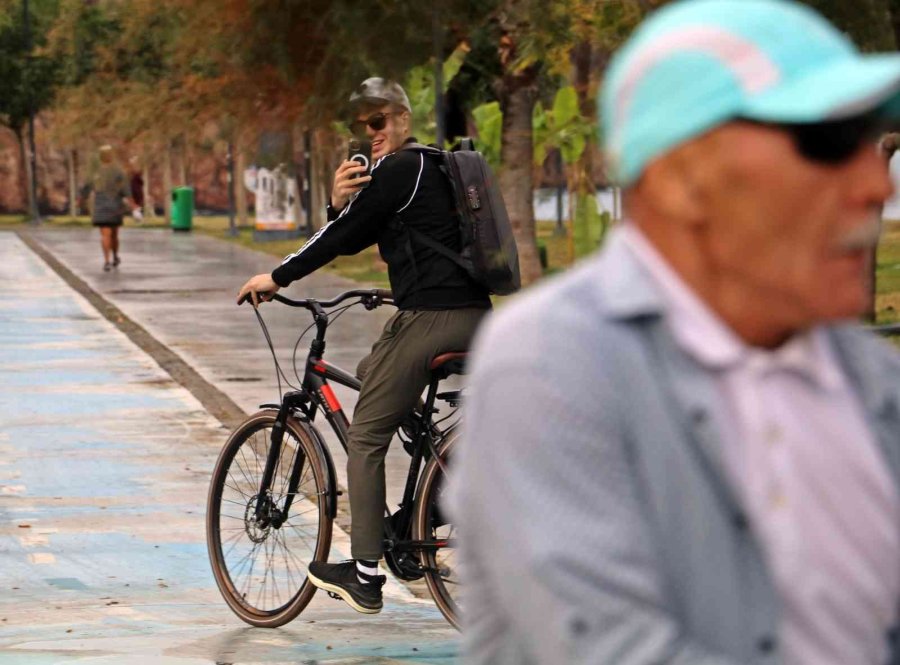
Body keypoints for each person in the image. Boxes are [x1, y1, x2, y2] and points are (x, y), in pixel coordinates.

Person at [450, 1, 900, 663]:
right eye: (828, 143)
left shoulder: (870, 377)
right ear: (683, 179)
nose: (875, 184)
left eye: (878, 144)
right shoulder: (551, 364)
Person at [237, 77, 491, 614]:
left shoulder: (402, 168)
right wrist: (339, 204)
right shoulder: (434, 168)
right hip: (468, 318)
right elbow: (366, 232)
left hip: (432, 320)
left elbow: (338, 239)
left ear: (401, 118)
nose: (371, 133)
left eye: (378, 122)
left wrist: (277, 277)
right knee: (370, 366)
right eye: (363, 126)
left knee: (366, 435)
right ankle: (419, 507)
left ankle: (365, 573)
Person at [88, 145, 135, 271]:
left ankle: (106, 260)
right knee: (114, 234)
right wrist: (133, 204)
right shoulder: (118, 171)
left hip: (100, 206)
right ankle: (115, 256)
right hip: (115, 206)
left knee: (105, 235)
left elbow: (88, 187)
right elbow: (126, 190)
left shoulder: (95, 172)